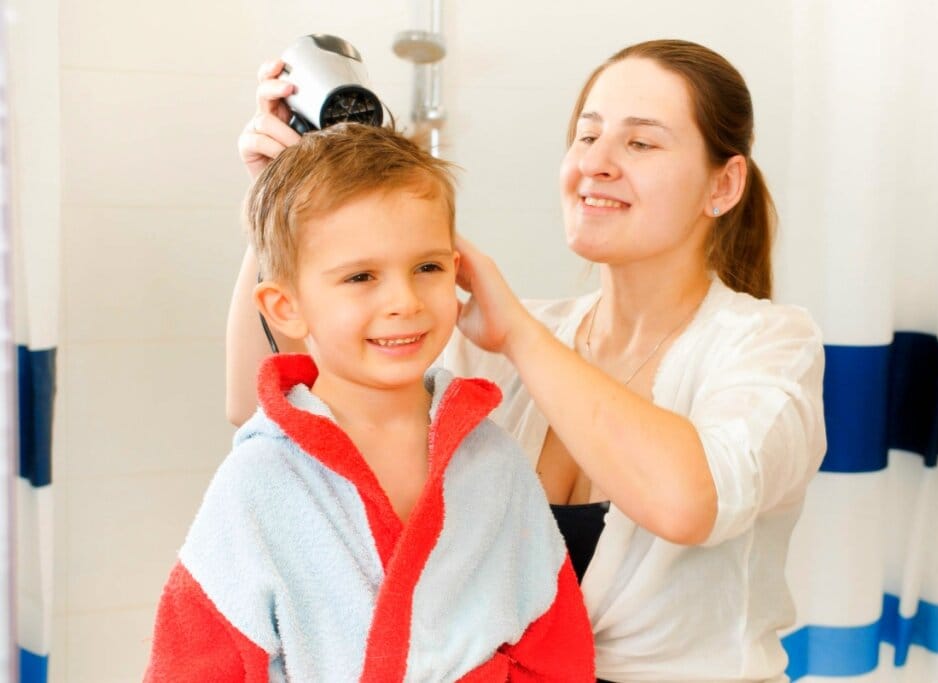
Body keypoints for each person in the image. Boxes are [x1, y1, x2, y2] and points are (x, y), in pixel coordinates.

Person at [231, 39, 827, 683]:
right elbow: (263, 406)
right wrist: (281, 207)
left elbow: (688, 503)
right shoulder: (519, 340)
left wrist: (514, 332)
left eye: (641, 143)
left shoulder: (769, 345)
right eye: (586, 136)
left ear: (724, 183)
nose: (595, 163)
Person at [147, 124, 595, 682]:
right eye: (361, 276)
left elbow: (556, 646)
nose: (404, 302)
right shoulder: (260, 481)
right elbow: (194, 665)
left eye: (427, 268)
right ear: (285, 307)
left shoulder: (491, 461)